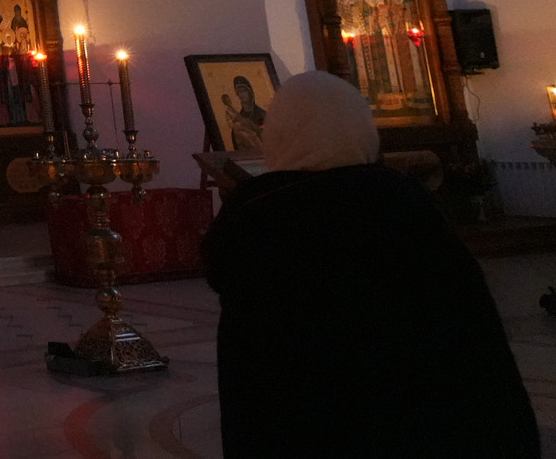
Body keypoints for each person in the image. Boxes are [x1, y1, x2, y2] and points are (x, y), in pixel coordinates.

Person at [203, 71, 536, 457]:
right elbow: (476, 353)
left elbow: (253, 384)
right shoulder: (406, 208)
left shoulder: (255, 224)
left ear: (277, 137)